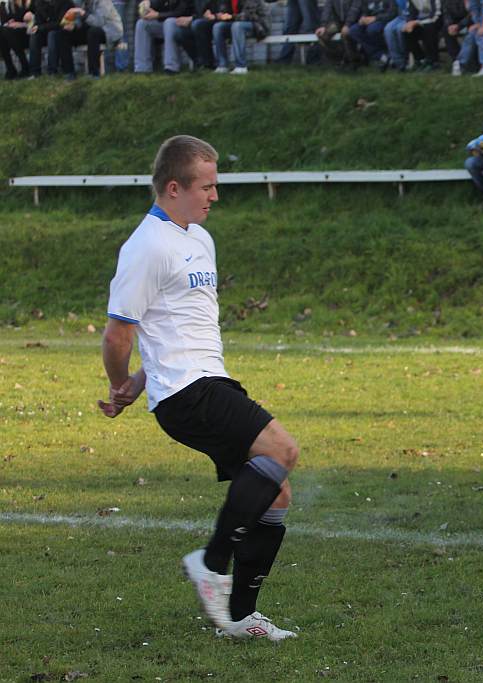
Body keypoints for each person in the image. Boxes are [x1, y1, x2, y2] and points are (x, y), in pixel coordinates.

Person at [99, 135, 299, 641]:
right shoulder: (146, 247)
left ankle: (238, 617)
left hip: (206, 380)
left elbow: (169, 332)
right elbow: (119, 332)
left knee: (274, 496)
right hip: (190, 395)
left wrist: (139, 381)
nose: (214, 196)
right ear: (173, 187)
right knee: (281, 450)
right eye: (206, 187)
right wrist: (121, 383)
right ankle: (211, 563)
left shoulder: (199, 238)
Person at [56, 0, 123, 78]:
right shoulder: (81, 2)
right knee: (63, 34)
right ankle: (69, 72)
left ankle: (94, 73)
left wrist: (82, 13)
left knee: (93, 32)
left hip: (109, 31)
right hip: (90, 31)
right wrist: (73, 26)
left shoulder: (103, 2)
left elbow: (99, 22)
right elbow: (79, 21)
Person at [210, 0, 269, 74]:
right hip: (237, 24)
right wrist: (220, 15)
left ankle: (241, 66)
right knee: (218, 27)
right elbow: (225, 12)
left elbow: (250, 15)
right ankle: (222, 65)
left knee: (237, 26)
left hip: (258, 25)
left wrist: (231, 16)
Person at [384, 0, 441, 71]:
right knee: (407, 31)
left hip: (437, 21)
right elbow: (411, 13)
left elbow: (435, 15)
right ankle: (421, 59)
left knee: (428, 28)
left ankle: (433, 61)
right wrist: (409, 23)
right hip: (421, 21)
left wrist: (416, 22)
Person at [344, 0, 397, 69]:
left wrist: (375, 18)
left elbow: (393, 13)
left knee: (372, 29)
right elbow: (365, 10)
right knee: (353, 30)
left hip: (383, 20)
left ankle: (384, 55)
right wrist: (363, 17)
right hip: (369, 20)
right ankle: (381, 55)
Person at [315, 0, 361, 67]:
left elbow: (355, 9)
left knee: (345, 34)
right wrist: (323, 25)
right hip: (338, 22)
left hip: (355, 21)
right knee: (322, 35)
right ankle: (339, 58)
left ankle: (353, 61)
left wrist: (348, 24)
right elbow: (327, 8)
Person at [1, 0, 32, 78]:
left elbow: (36, 19)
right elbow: (4, 21)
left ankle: (24, 66)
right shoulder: (5, 4)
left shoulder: (28, 2)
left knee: (6, 32)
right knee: (3, 32)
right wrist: (9, 23)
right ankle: (10, 68)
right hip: (12, 35)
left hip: (28, 33)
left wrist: (22, 24)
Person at [440, 0, 469, 74]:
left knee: (472, 30)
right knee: (446, 30)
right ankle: (456, 60)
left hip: (472, 19)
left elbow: (474, 13)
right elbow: (446, 12)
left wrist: (459, 26)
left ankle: (470, 60)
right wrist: (449, 25)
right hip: (455, 19)